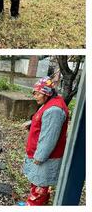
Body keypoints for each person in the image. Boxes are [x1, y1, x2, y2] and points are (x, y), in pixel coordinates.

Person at [22, 77, 69, 206]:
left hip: (46, 157)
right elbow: (45, 121)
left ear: (46, 93)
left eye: (37, 93)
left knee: (40, 187)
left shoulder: (54, 109)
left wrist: (40, 156)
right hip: (40, 153)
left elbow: (49, 137)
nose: (35, 96)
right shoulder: (50, 104)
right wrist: (32, 123)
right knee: (38, 184)